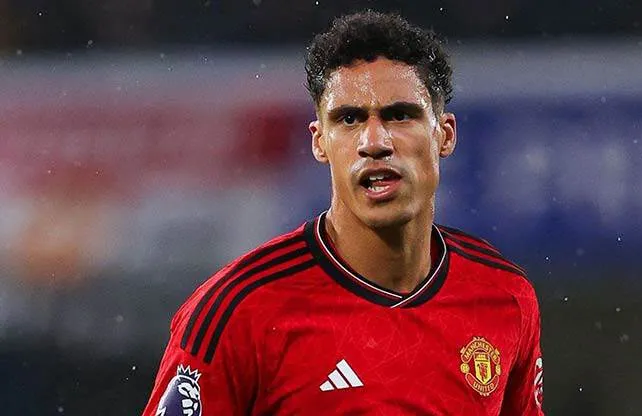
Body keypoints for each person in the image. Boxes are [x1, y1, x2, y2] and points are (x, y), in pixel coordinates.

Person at [142, 10, 544, 416]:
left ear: (445, 135)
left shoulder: (504, 296)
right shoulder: (239, 311)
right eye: (349, 119)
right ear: (320, 142)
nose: (375, 142)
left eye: (399, 115)